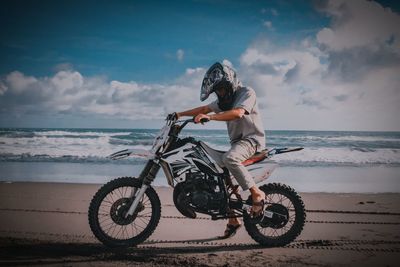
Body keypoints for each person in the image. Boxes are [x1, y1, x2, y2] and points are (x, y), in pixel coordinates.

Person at [174, 62, 266, 238]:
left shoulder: (246, 93)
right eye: (218, 91)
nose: (221, 93)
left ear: (230, 84)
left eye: (222, 88)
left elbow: (238, 113)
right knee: (215, 170)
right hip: (238, 144)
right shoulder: (224, 101)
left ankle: (257, 193)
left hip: (252, 141)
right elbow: (203, 108)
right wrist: (178, 114)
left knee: (230, 159)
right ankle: (233, 219)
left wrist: (210, 118)